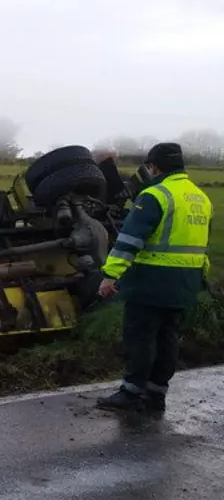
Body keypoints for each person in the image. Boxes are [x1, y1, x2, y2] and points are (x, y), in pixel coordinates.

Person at [96, 142, 213, 413]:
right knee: (167, 337)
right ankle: (156, 394)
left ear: (154, 167)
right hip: (185, 282)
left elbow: (128, 241)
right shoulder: (200, 198)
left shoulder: (155, 195)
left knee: (141, 336)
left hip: (151, 281)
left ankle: (131, 392)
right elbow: (203, 244)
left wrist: (110, 275)